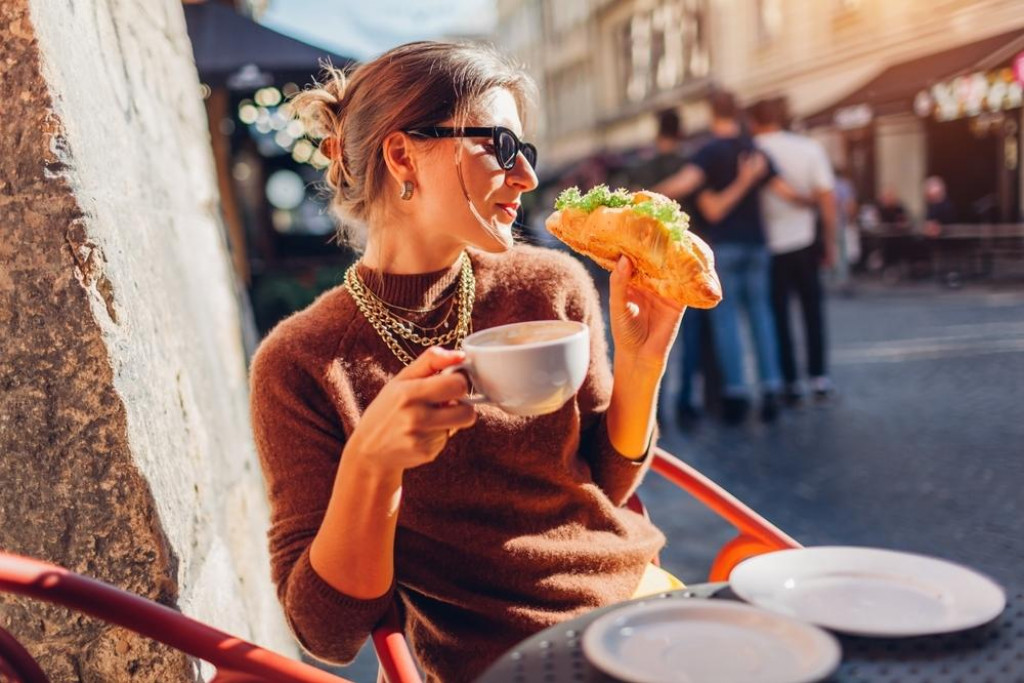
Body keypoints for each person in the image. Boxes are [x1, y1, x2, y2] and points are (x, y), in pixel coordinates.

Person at [248, 42, 684, 683]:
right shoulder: (303, 362)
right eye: (501, 147)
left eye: (525, 151)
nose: (526, 177)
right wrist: (373, 464)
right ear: (403, 156)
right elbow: (328, 633)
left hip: (638, 605)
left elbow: (604, 486)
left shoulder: (551, 286)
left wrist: (643, 365)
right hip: (501, 662)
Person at [654, 91, 807, 424]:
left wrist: (647, 195)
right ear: (738, 114)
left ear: (712, 114)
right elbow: (785, 191)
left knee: (727, 321)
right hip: (758, 244)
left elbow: (684, 184)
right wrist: (814, 202)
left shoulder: (709, 152)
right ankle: (770, 388)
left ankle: (736, 392)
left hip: (725, 246)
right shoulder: (754, 150)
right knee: (762, 316)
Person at [627, 109, 714, 428]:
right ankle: (687, 401)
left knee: (653, 338)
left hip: (649, 262)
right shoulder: (690, 165)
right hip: (684, 264)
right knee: (689, 337)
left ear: (657, 132)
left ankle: (655, 406)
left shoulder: (641, 168)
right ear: (681, 132)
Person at [749, 98, 838, 403]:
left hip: (767, 244)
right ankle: (819, 377)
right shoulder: (808, 148)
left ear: (754, 122)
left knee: (778, 316)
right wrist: (831, 242)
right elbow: (827, 200)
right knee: (812, 311)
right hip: (806, 239)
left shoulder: (750, 151)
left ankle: (790, 382)